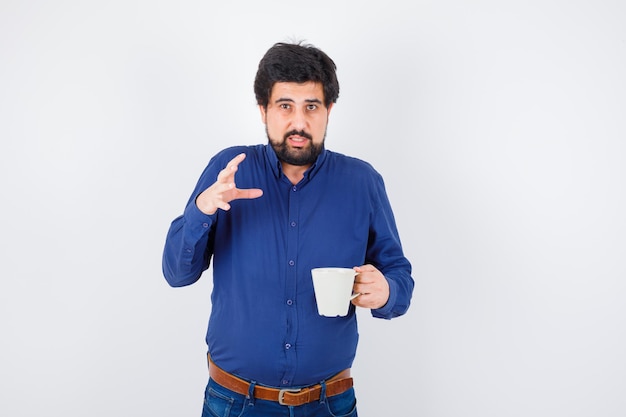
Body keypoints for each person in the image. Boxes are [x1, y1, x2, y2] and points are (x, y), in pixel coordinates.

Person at [162, 40, 414, 417]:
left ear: (329, 110)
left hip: (329, 405)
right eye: (285, 106)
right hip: (233, 403)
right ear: (264, 110)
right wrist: (203, 209)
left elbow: (399, 278)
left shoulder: (362, 183)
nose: (299, 122)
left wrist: (387, 291)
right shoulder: (229, 170)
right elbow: (177, 274)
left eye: (311, 106)